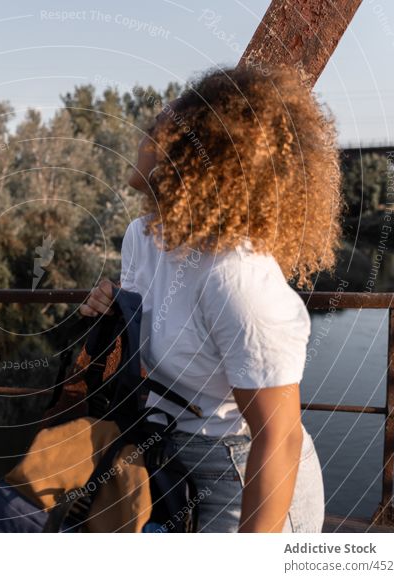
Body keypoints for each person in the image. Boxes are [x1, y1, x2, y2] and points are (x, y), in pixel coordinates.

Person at [80, 66, 342, 532]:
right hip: (165, 457)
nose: (144, 132)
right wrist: (116, 310)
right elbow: (154, 337)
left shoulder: (235, 276)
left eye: (159, 127)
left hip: (243, 478)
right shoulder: (142, 237)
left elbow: (277, 438)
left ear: (194, 155)